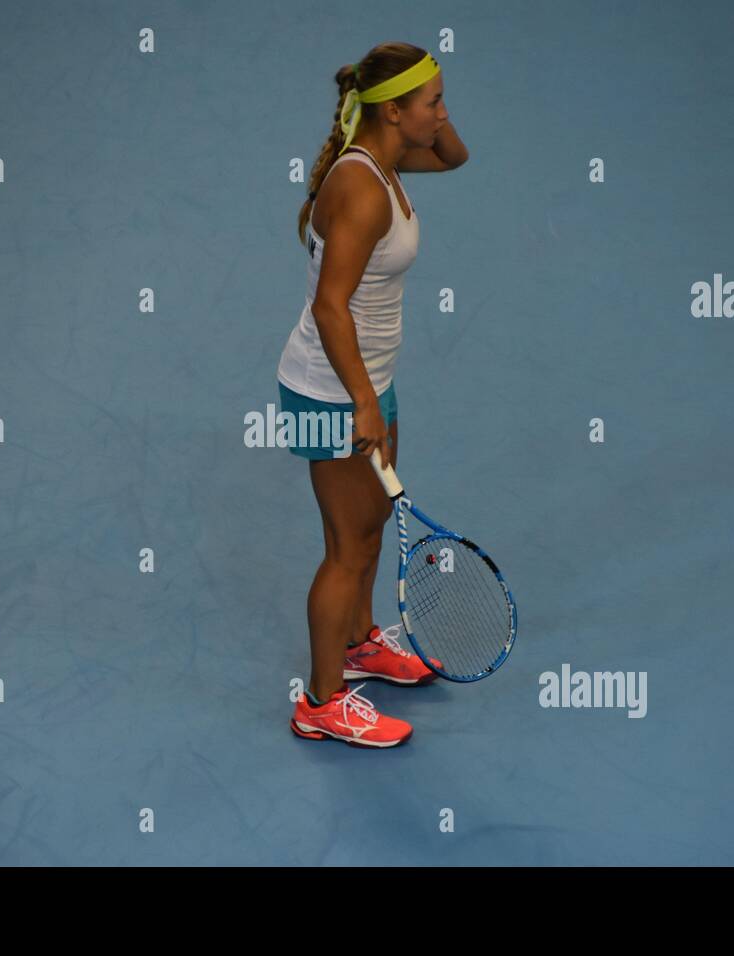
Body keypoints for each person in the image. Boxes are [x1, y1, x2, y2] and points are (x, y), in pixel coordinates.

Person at [277, 43, 468, 747]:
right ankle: (322, 702)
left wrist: (421, 98)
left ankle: (359, 643)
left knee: (369, 527)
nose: (444, 115)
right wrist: (360, 401)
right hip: (334, 389)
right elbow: (332, 307)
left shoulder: (388, 161)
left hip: (367, 379)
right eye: (433, 103)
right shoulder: (360, 186)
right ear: (393, 111)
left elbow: (455, 156)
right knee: (348, 549)